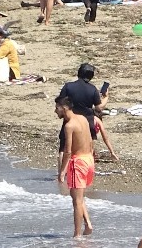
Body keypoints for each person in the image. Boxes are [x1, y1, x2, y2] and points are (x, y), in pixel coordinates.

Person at [56, 96, 94, 238]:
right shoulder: (83, 118)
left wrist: (62, 171)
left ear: (64, 108)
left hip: (78, 162)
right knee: (76, 195)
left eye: (57, 108)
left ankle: (77, 235)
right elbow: (90, 140)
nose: (55, 111)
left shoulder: (69, 125)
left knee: (77, 201)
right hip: (88, 159)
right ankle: (88, 224)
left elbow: (68, 150)